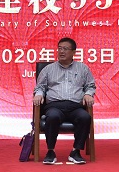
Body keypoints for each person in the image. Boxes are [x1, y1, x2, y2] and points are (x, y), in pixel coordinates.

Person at [33, 37, 96, 165]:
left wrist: (88, 94)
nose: (61, 51)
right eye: (60, 48)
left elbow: (90, 85)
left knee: (85, 117)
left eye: (65, 49)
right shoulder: (48, 69)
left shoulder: (83, 68)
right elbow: (40, 87)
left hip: (75, 106)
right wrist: (38, 94)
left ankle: (76, 151)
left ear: (74, 52)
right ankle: (50, 151)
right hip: (54, 106)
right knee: (53, 117)